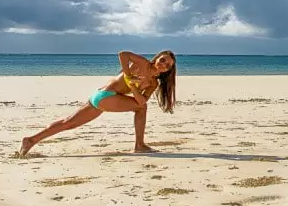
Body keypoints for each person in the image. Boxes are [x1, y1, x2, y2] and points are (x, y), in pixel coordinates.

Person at [18, 50, 177, 157]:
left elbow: (141, 100)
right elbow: (123, 55)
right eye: (162, 60)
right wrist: (128, 75)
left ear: (168, 70)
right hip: (105, 96)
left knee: (69, 123)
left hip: (103, 97)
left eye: (167, 65)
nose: (163, 64)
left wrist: (131, 85)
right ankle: (139, 145)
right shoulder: (142, 63)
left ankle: (31, 140)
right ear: (156, 58)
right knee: (141, 109)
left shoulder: (153, 83)